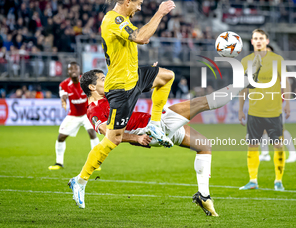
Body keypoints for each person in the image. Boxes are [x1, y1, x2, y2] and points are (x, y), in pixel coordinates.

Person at [68, 58, 261, 213]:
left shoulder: (112, 94)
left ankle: (204, 195)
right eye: (102, 79)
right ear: (92, 87)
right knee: (202, 103)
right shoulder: (93, 109)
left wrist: (151, 78)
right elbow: (106, 133)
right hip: (151, 128)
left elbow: (134, 90)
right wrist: (135, 138)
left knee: (204, 145)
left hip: (158, 126)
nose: (107, 81)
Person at [68, 0, 176, 205]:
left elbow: (126, 51)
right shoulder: (113, 20)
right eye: (139, 3)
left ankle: (155, 123)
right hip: (120, 88)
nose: (139, 7)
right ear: (128, 2)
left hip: (133, 77)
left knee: (167, 76)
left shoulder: (123, 20)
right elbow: (141, 38)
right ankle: (80, 180)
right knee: (113, 138)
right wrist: (160, 12)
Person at [238, 29, 290, 191]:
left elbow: (285, 82)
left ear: (267, 41)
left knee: (278, 146)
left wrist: (287, 103)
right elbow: (243, 87)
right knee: (252, 146)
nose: (258, 41)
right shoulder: (246, 61)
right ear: (252, 42)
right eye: (255, 38)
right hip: (254, 113)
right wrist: (240, 110)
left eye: (261, 38)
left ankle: (278, 181)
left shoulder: (277, 59)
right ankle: (253, 180)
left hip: (274, 112)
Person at [48, 62, 99, 170]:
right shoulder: (64, 85)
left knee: (92, 132)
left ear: (79, 70)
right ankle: (59, 163)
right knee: (61, 137)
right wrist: (64, 100)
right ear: (68, 72)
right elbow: (63, 96)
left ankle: (96, 163)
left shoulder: (86, 81)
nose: (73, 71)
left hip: (87, 113)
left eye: (75, 68)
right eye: (71, 69)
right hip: (74, 114)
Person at [258, 45, 296, 163]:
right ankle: (265, 154)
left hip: (276, 103)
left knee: (280, 129)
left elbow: (287, 85)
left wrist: (287, 103)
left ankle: (293, 153)